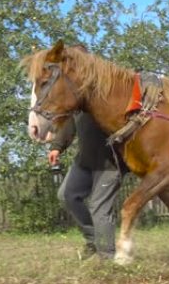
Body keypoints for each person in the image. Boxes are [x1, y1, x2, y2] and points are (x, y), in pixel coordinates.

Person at [49, 111, 125, 259]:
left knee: (99, 208)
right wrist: (57, 146)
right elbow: (70, 120)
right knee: (66, 195)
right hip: (84, 160)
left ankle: (106, 257)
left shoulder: (107, 92)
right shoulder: (78, 99)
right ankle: (93, 240)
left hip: (109, 163)